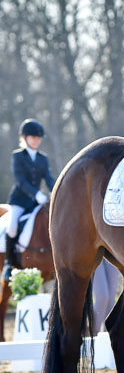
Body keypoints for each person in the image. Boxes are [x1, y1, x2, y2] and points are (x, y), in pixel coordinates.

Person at [2, 119, 56, 281]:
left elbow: (48, 178)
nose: (36, 140)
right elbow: (20, 181)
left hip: (35, 203)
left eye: (38, 138)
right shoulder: (17, 156)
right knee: (12, 227)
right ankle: (8, 264)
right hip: (19, 201)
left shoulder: (43, 158)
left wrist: (57, 190)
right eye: (33, 137)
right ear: (25, 138)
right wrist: (36, 194)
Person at [92, 258, 121, 334]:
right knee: (103, 296)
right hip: (94, 250)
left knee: (111, 301)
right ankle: (94, 332)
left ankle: (107, 335)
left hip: (112, 250)